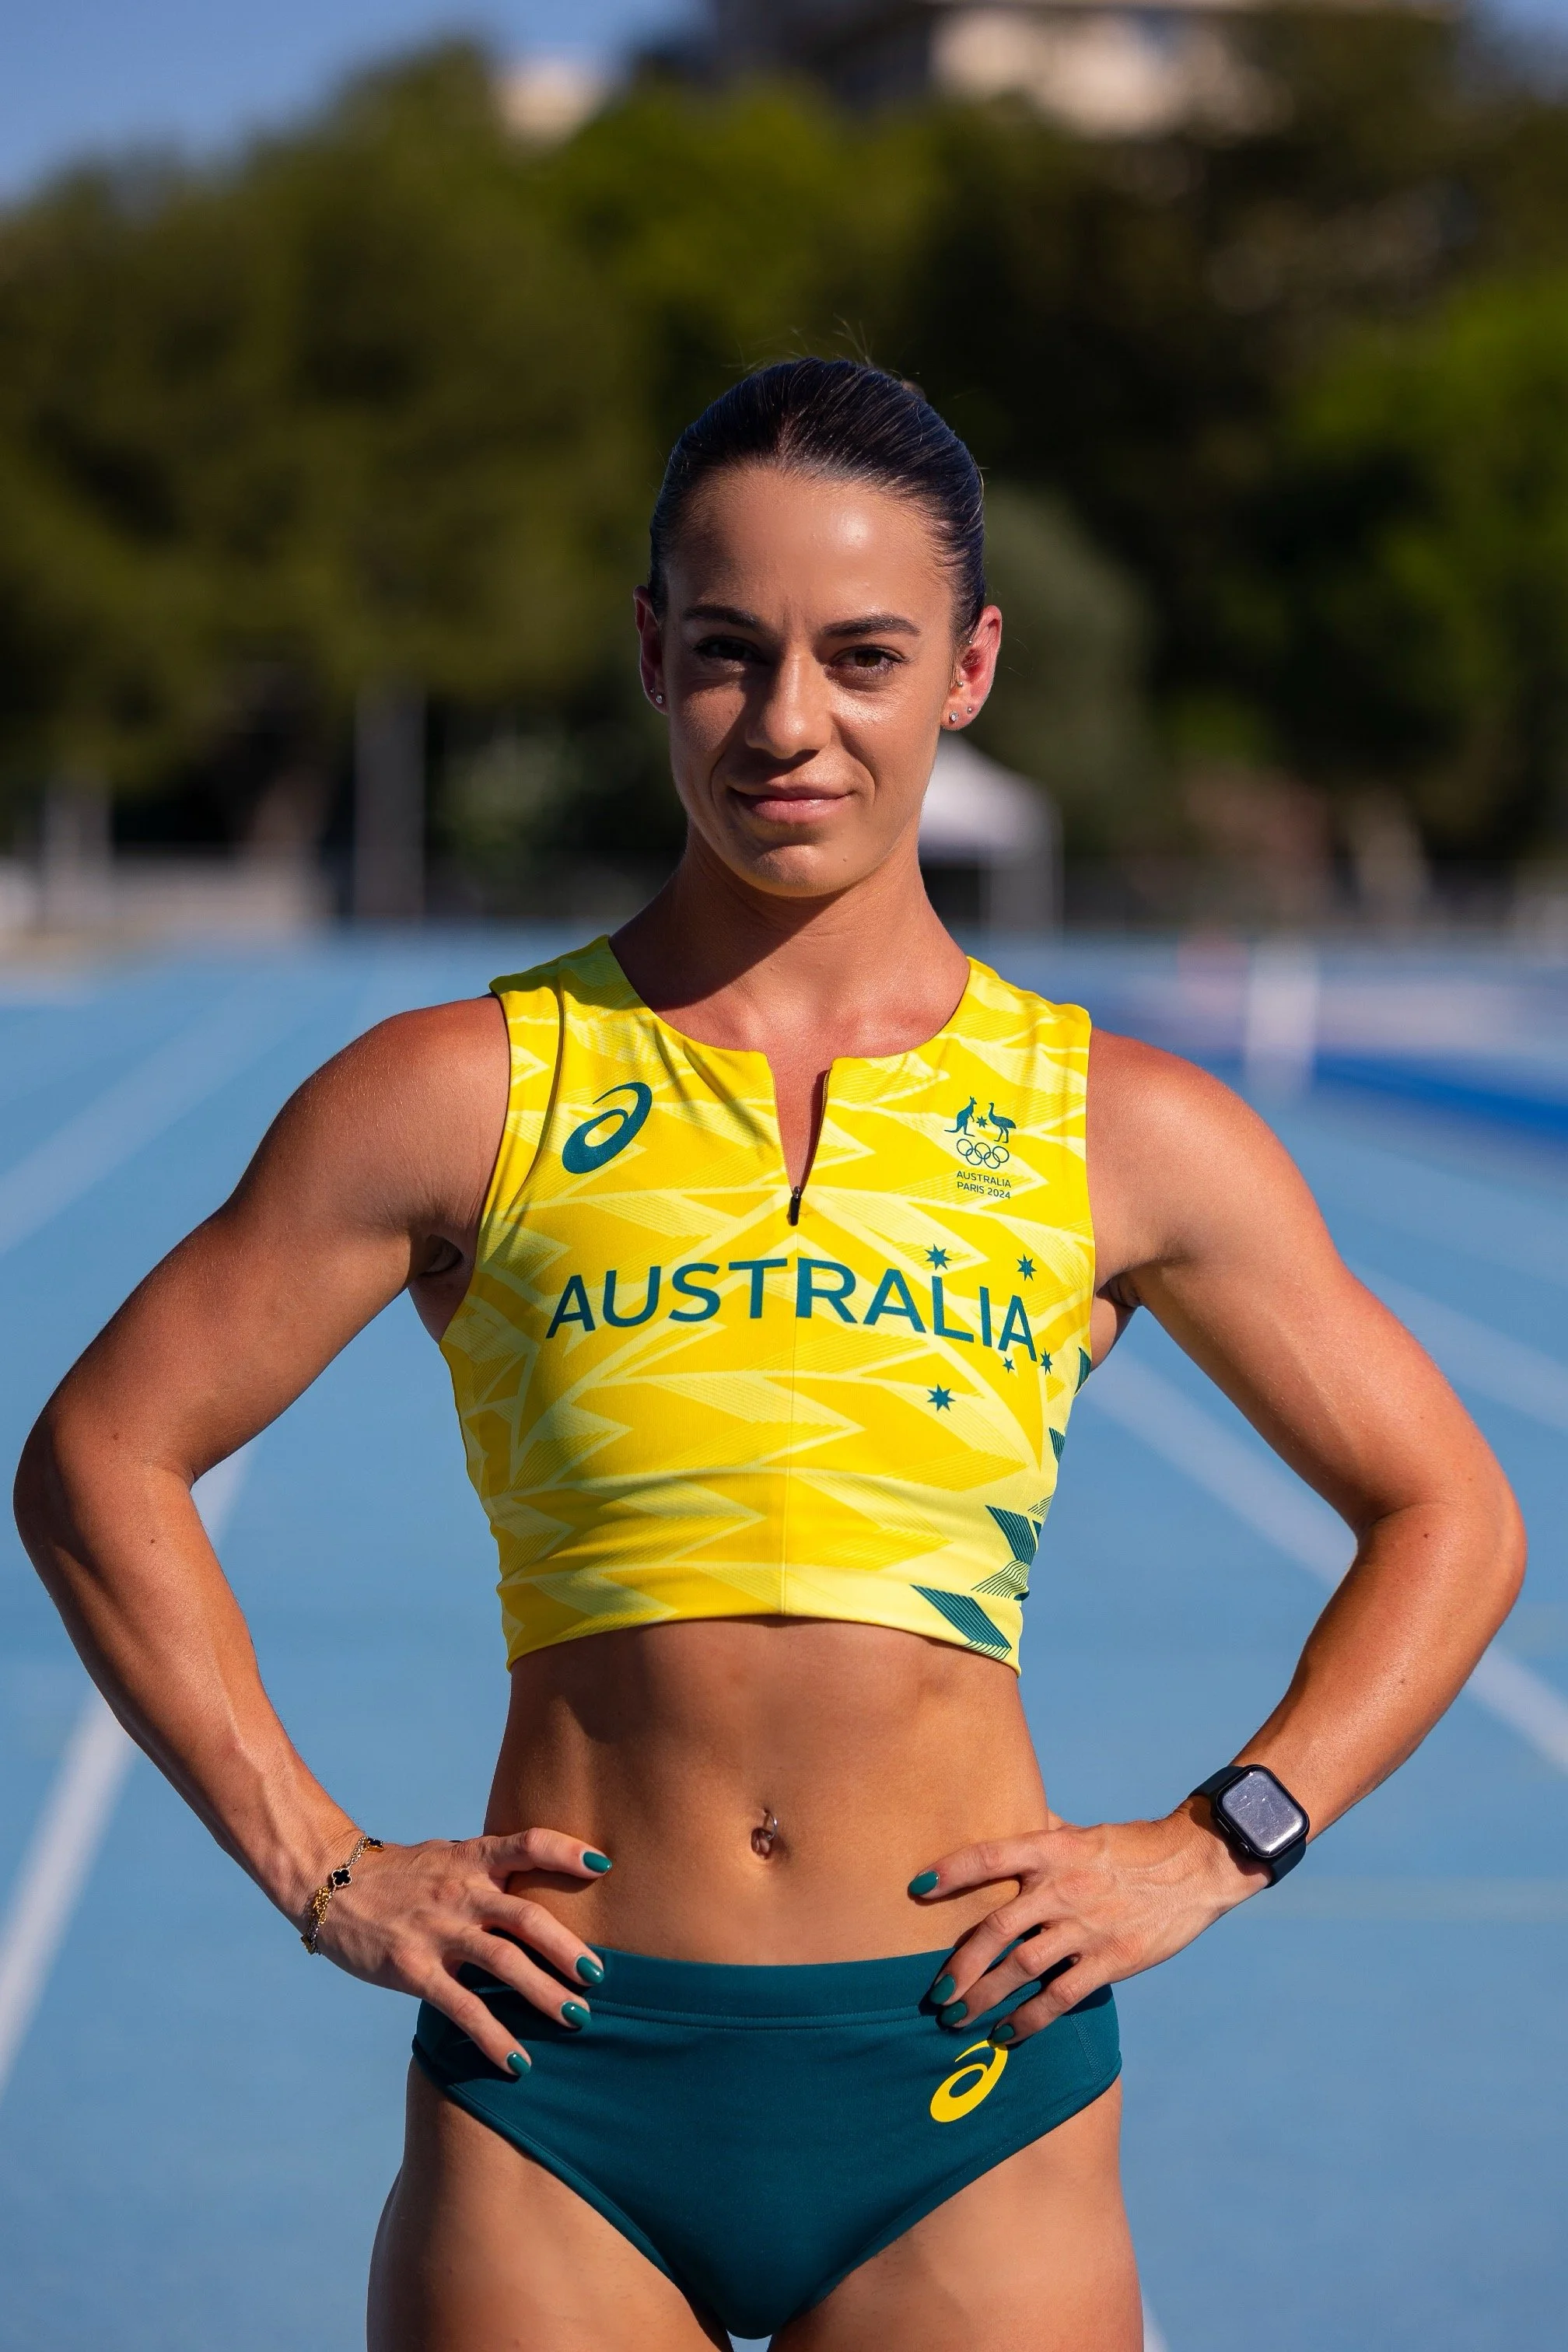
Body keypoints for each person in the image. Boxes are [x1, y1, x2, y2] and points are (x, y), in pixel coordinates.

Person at [15, 359, 1523, 2352]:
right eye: (730, 652)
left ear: (970, 669)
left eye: (864, 657)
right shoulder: (460, 1091)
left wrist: (1215, 1845)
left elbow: (1450, 1512)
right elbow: (99, 1456)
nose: (790, 723)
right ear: (654, 656)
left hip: (964, 2075)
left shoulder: (1121, 1130)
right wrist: (320, 1866)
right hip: (560, 2076)